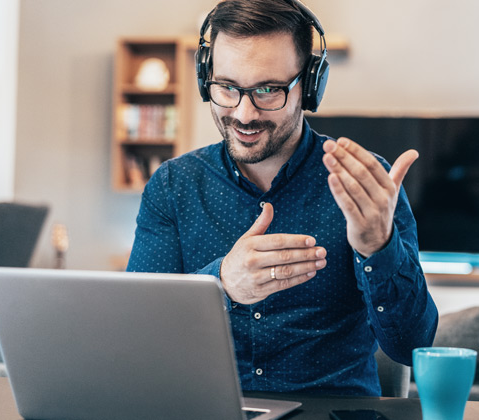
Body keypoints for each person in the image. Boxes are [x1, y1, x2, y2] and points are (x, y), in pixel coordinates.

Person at [127, 0, 438, 396]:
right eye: (226, 87)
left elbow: (414, 347)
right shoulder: (173, 187)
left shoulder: (367, 185)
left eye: (268, 90)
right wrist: (219, 285)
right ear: (207, 78)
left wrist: (379, 247)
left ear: (309, 85)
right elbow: (138, 335)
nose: (242, 113)